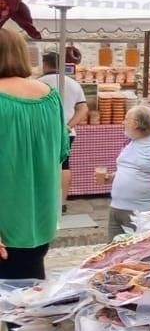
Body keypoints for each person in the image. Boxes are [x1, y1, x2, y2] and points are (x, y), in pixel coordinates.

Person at [0, 29, 70, 280]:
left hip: (5, 227)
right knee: (30, 295)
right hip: (40, 222)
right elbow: (61, 153)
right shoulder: (51, 98)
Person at [108, 105, 150, 237]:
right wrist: (112, 177)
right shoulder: (130, 143)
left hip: (141, 212)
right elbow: (129, 169)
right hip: (117, 208)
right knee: (114, 248)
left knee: (137, 248)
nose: (123, 122)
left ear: (136, 124)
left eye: (126, 119)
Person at [38, 50, 87, 211]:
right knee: (64, 165)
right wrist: (68, 126)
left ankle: (44, 201)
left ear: (45, 65)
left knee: (42, 165)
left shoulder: (38, 83)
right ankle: (62, 202)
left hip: (42, 132)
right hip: (67, 132)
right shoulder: (73, 83)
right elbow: (82, 109)